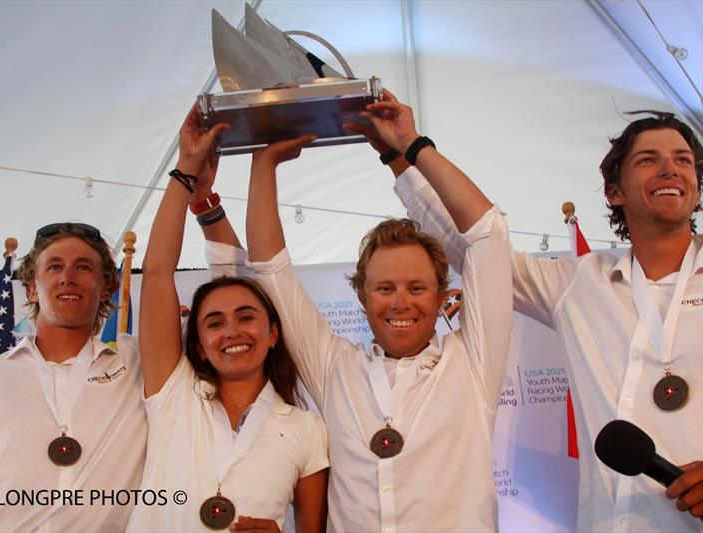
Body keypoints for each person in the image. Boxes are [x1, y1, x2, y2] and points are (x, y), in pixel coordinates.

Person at [364, 95, 703, 531]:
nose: (670, 169)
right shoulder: (580, 282)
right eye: (648, 160)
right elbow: (476, 246)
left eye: (683, 160)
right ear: (614, 192)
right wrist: (402, 151)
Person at [204, 107, 513, 529]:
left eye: (417, 288)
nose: (401, 302)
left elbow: (487, 234)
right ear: (362, 297)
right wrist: (265, 162)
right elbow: (270, 272)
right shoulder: (336, 368)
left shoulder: (474, 360)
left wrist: (411, 147)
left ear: (443, 296)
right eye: (385, 289)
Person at [126, 108, 328, 533]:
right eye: (214, 323)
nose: (232, 331)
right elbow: (158, 270)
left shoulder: (307, 429)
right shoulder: (174, 391)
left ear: (273, 333)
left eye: (246, 317)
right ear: (198, 343)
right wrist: (185, 169)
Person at [0, 223, 147, 531]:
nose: (67, 277)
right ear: (31, 288)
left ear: (106, 289)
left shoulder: (138, 366)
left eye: (83, 267)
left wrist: (203, 205)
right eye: (54, 266)